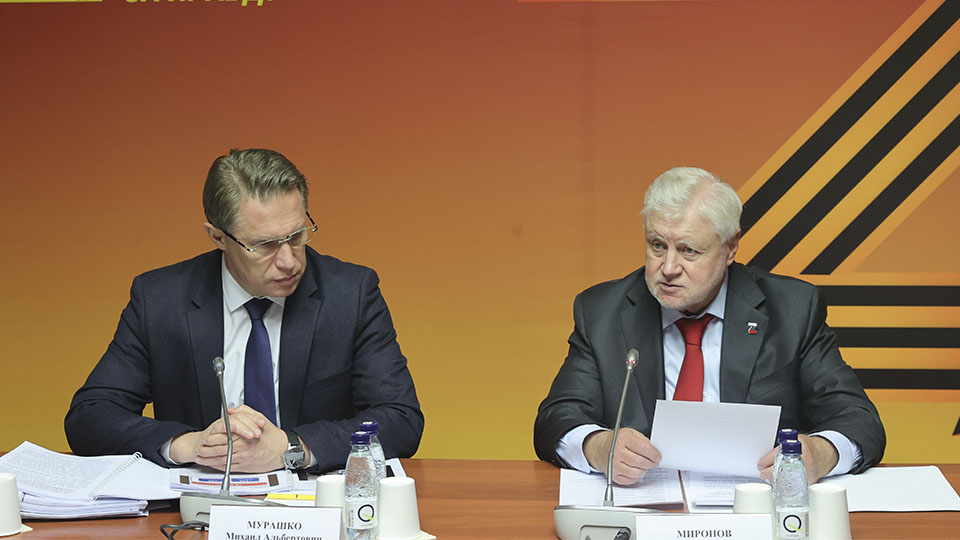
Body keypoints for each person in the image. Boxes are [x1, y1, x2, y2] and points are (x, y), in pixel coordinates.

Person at [65, 148, 423, 474]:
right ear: (218, 237)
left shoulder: (351, 295)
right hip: (198, 504)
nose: (289, 260)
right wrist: (191, 445)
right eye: (265, 245)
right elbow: (89, 417)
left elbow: (400, 419)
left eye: (297, 236)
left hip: (316, 506)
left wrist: (291, 447)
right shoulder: (160, 300)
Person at [533, 166, 884, 486]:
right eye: (657, 245)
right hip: (643, 505)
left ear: (730, 248)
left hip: (757, 506)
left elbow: (859, 420)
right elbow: (555, 419)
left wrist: (819, 454)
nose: (668, 268)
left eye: (688, 250)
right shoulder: (602, 312)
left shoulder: (792, 310)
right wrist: (597, 446)